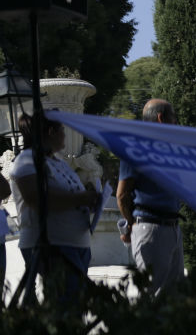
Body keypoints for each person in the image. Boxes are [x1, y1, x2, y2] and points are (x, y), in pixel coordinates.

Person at [10, 114, 99, 303]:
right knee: (65, 308)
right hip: (54, 246)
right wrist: (80, 198)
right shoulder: (27, 160)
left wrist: (90, 200)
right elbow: (37, 199)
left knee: (76, 307)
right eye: (62, 131)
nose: (65, 136)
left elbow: (73, 195)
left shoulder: (58, 161)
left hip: (76, 245)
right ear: (51, 132)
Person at [116, 99, 184, 295]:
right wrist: (132, 224)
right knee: (153, 296)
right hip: (151, 228)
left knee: (174, 297)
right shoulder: (135, 148)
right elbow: (122, 195)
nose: (177, 123)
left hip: (171, 227)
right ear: (162, 118)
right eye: (174, 118)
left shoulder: (170, 150)